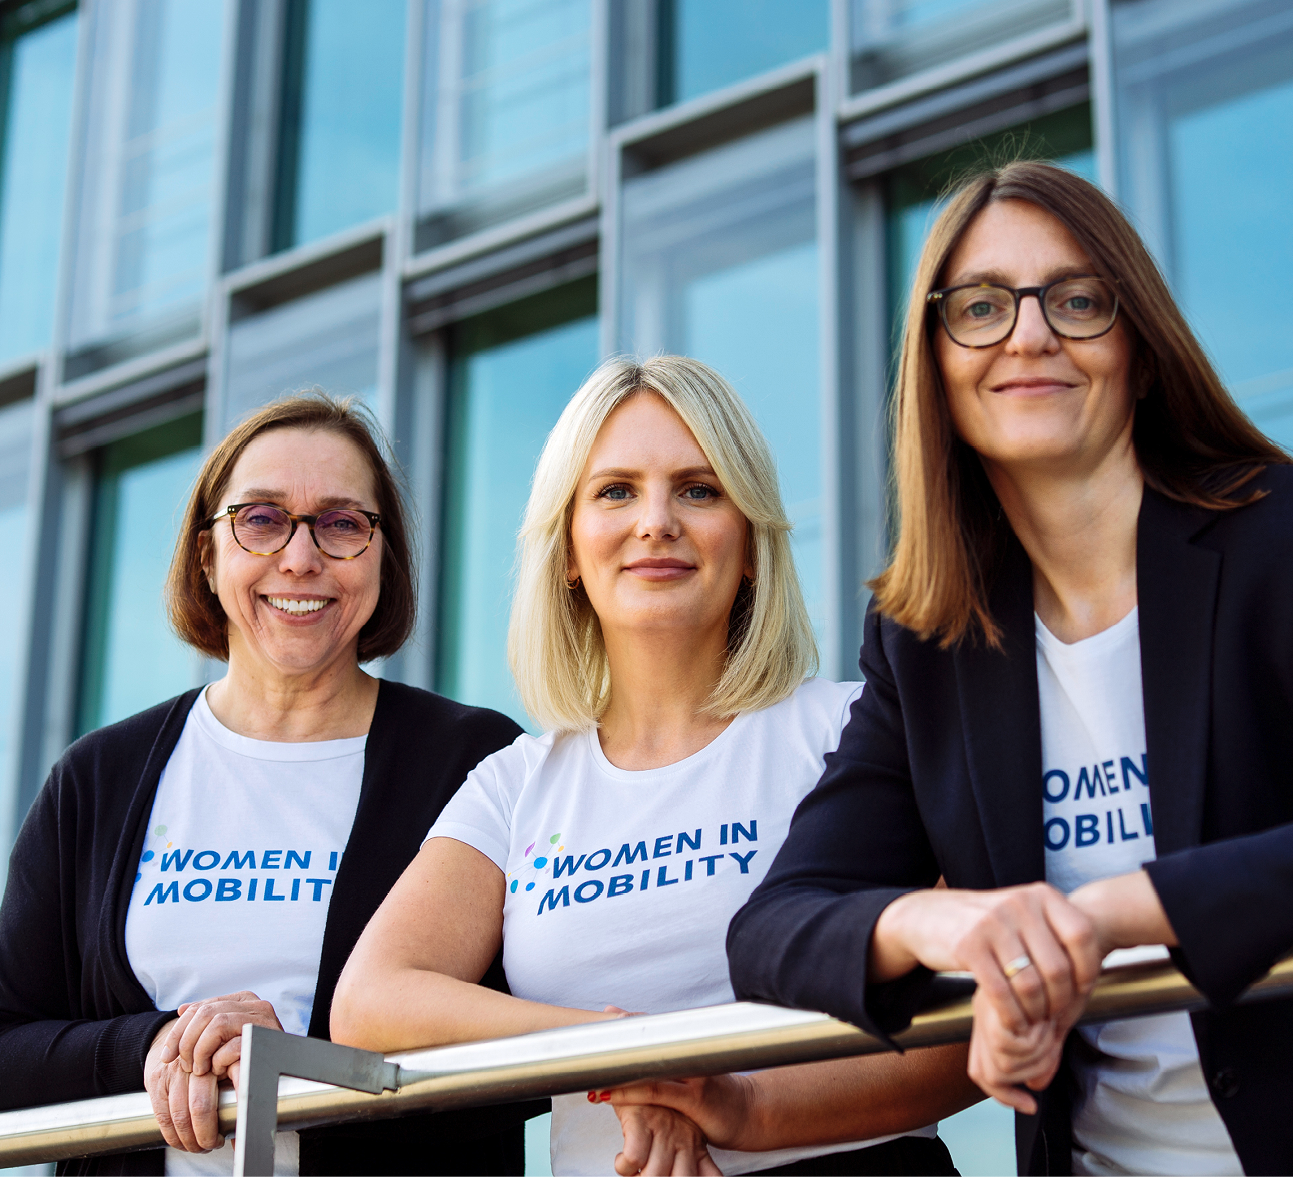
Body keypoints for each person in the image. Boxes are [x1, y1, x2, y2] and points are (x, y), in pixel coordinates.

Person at [727, 159, 1293, 1177]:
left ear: (1140, 346)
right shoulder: (926, 640)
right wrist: (963, 925)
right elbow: (775, 928)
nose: (1029, 334)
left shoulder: (1277, 540)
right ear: (935, 367)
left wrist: (1103, 916)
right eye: (981, 307)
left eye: (1076, 300)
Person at [332, 356, 981, 1177]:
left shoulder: (855, 728)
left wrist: (732, 1108)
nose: (655, 521)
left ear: (748, 541)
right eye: (614, 491)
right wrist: (618, 1051)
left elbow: (969, 1028)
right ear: (567, 548)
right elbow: (370, 1001)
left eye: (698, 489)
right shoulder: (514, 781)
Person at [0, 394, 542, 1177]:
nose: (299, 558)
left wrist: (305, 1067)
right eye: (261, 519)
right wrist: (154, 1043)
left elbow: (532, 1048)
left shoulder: (476, 760)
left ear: (382, 556)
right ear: (206, 556)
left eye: (341, 522)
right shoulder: (97, 778)